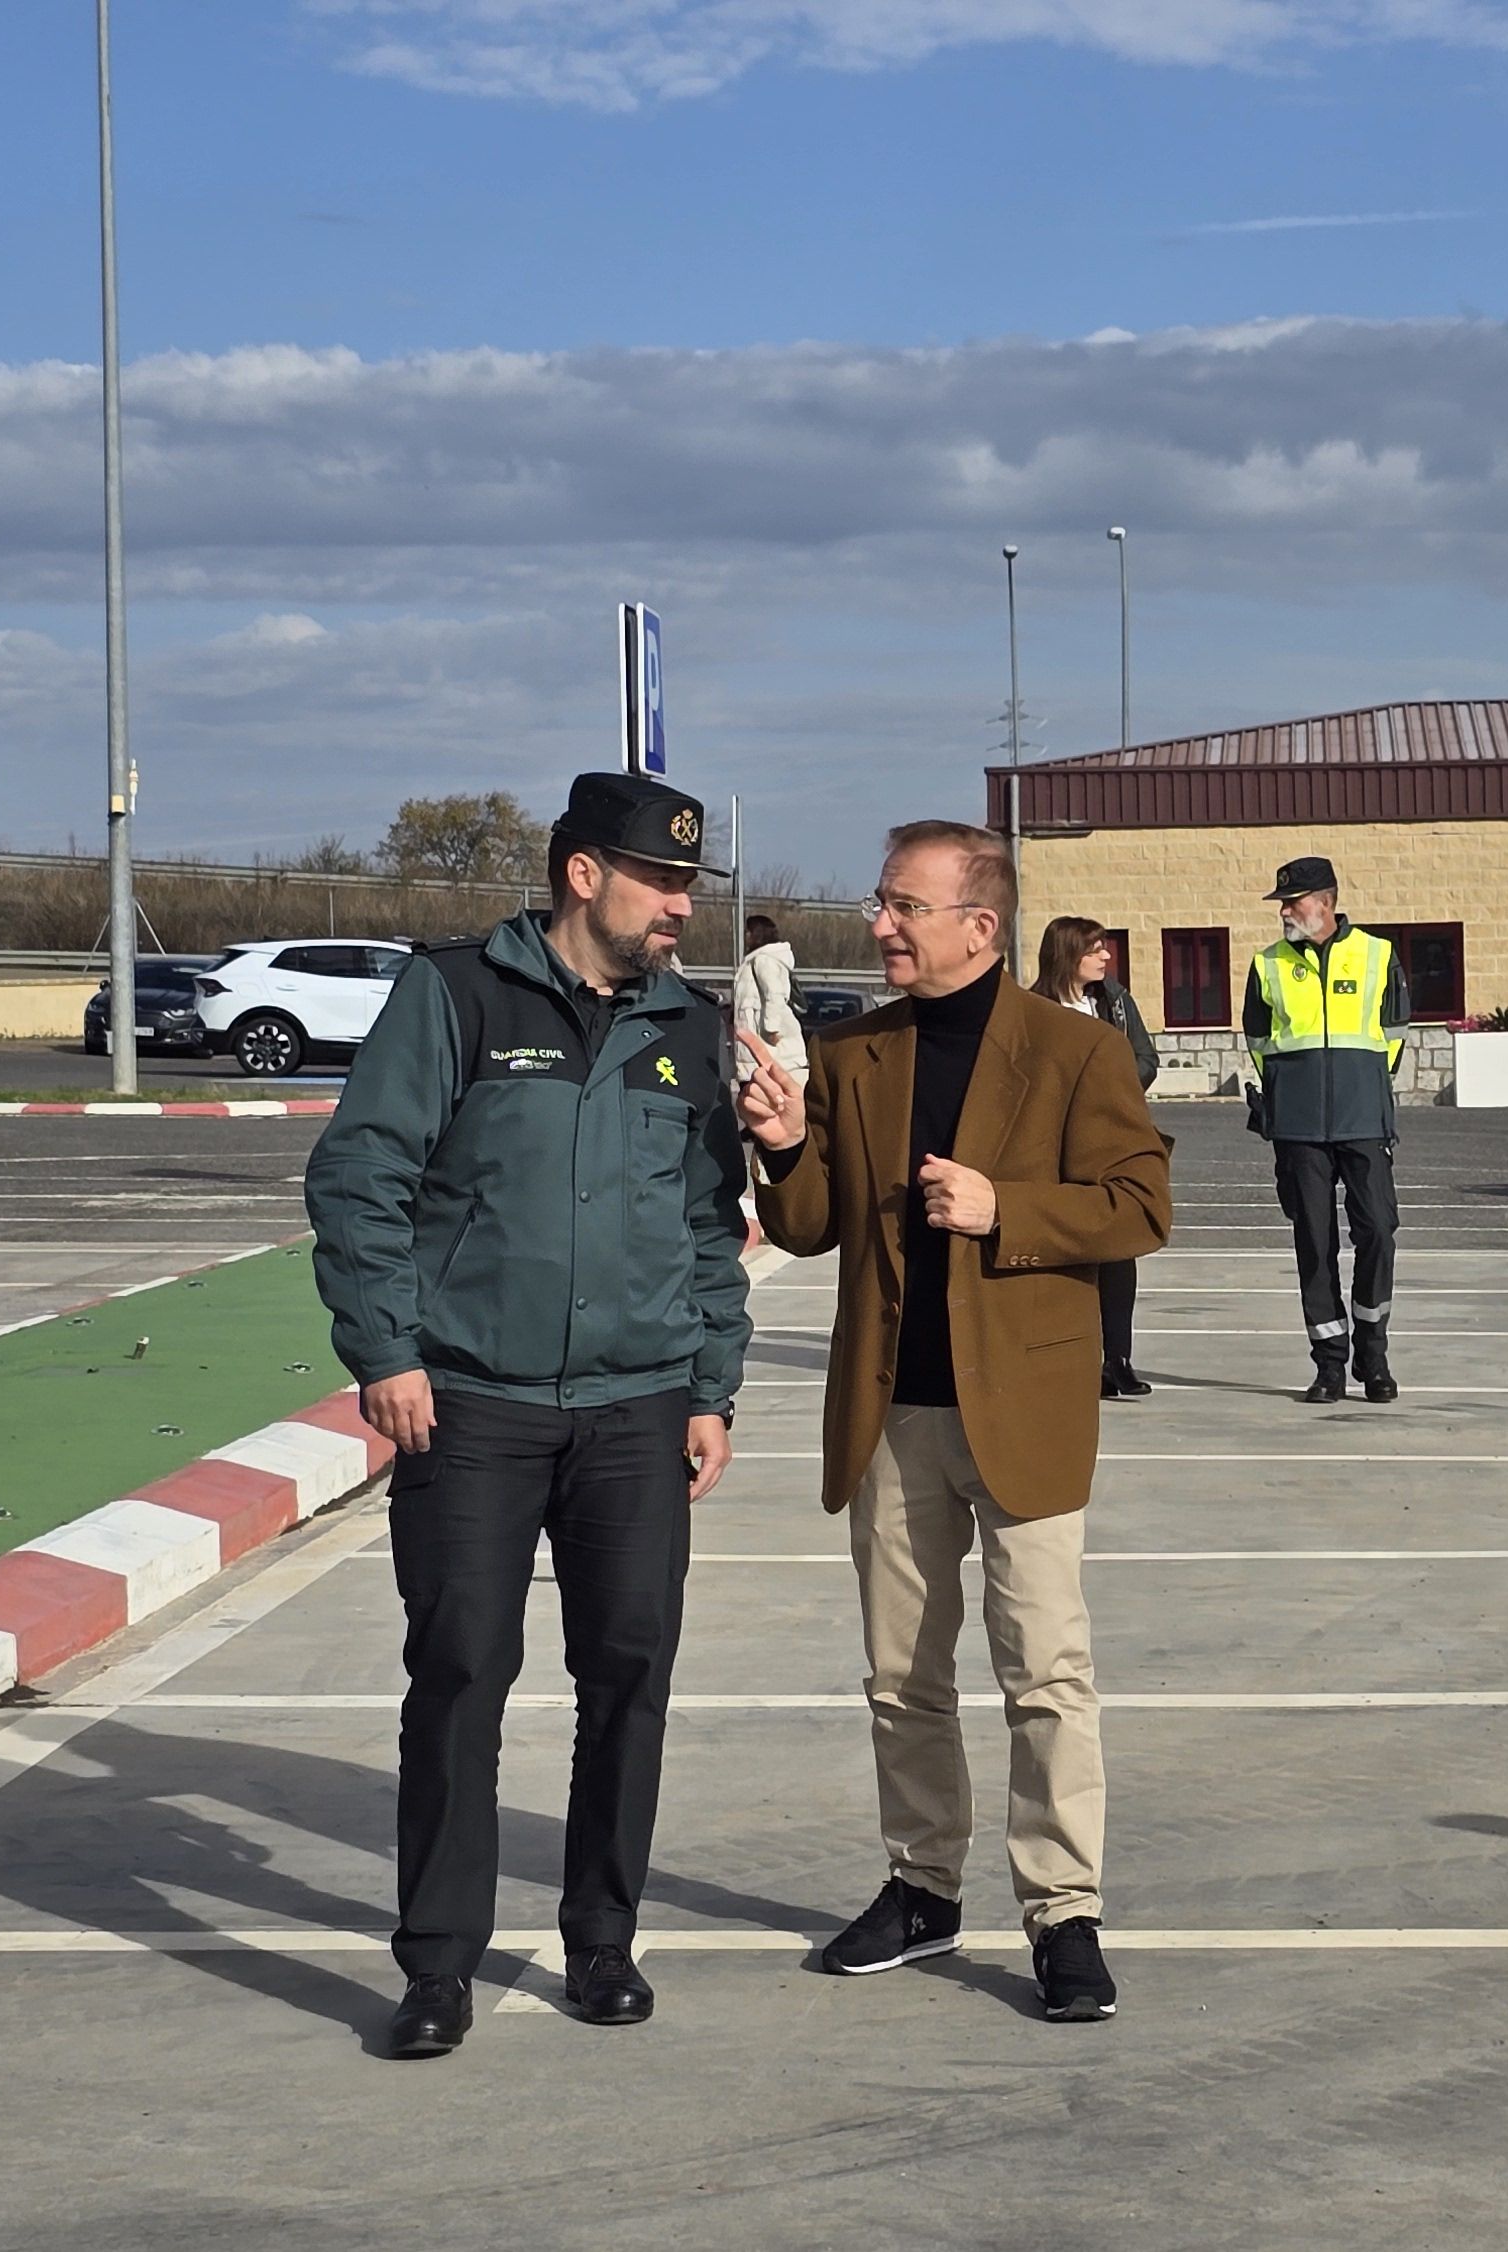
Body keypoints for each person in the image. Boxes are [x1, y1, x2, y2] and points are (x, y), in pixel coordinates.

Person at [301, 771, 751, 2062]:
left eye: (687, 885)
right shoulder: (456, 996)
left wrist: (710, 1381)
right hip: (472, 1408)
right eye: (661, 883)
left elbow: (709, 1223)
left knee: (629, 1675)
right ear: (583, 874)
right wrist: (386, 1350)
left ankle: (602, 1940)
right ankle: (438, 1963)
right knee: (457, 1678)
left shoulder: (689, 1027)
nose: (680, 907)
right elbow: (361, 1176)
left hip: (636, 1413)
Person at [735, 820, 1170, 2022]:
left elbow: (1141, 1203)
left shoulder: (1074, 1051)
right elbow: (817, 1222)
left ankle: (1063, 1910)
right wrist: (780, 1145)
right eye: (880, 903)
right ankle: (922, 1889)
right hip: (892, 1410)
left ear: (978, 926)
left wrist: (1004, 1207)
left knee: (1045, 1673)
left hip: (1020, 1407)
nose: (879, 924)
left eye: (901, 907)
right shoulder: (856, 1048)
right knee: (900, 1677)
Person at [1238, 857, 1408, 1403]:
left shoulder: (1378, 954)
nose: (1286, 911)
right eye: (1284, 904)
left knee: (1379, 1230)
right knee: (1314, 1243)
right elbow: (1260, 1042)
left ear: (1327, 901)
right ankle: (1330, 1364)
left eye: (1294, 901)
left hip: (1363, 1119)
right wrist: (1286, 1099)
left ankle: (1373, 1355)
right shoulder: (1267, 965)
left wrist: (1368, 1088)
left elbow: (1395, 1031)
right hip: (1298, 1127)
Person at [1031, 915, 1162, 1398]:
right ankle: (1063, 1357)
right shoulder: (1034, 1007)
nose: (1107, 957)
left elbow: (1146, 1058)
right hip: (1053, 1146)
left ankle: (1118, 1360)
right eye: (1095, 949)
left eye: (1106, 948)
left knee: (1118, 1247)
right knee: (1062, 1250)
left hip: (1113, 1141)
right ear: (1067, 954)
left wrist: (1114, 1088)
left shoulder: (1116, 1002)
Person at [736, 912, 808, 1085]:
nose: (745, 935)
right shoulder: (757, 959)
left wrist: (771, 1028)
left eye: (748, 931)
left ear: (757, 934)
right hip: (758, 1038)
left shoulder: (763, 959)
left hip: (767, 1040)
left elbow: (774, 994)